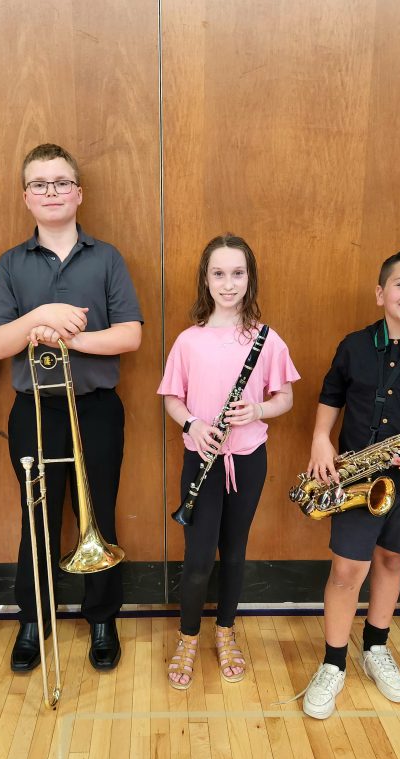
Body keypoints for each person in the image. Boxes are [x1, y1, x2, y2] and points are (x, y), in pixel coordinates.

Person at [0, 143, 142, 672]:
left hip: (96, 409)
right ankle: (34, 617)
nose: (50, 191)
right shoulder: (11, 263)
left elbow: (130, 335)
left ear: (78, 193)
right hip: (33, 411)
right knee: (38, 520)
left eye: (60, 182)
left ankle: (102, 618)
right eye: (39, 184)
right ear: (26, 197)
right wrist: (44, 314)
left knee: (97, 514)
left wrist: (64, 337)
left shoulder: (107, 257)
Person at [300, 248, 400, 720]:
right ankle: (333, 663)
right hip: (357, 479)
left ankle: (375, 649)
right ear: (380, 292)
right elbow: (330, 396)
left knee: (391, 562)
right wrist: (319, 440)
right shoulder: (354, 345)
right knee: (347, 572)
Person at [158, 234, 298, 690]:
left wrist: (257, 410)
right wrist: (192, 425)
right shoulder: (189, 340)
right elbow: (172, 400)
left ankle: (225, 631)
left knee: (234, 554)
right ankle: (187, 637)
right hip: (202, 460)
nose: (228, 283)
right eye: (218, 273)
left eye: (238, 273)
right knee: (198, 558)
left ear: (249, 278)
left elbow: (285, 397)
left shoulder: (266, 338)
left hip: (249, 458)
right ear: (206, 279)